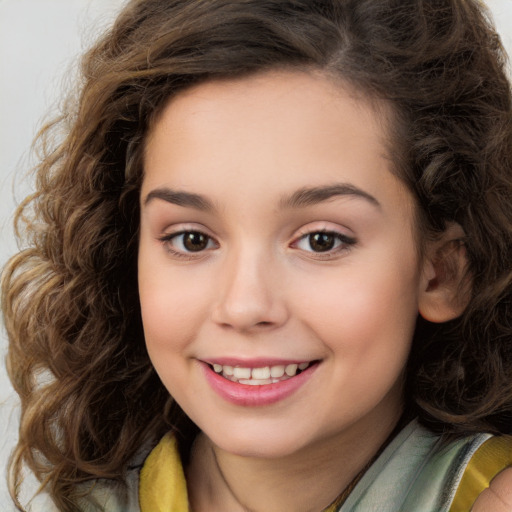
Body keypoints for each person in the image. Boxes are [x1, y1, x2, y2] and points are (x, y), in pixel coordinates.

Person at [2, 0, 512, 510]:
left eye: (321, 240)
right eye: (192, 239)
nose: (244, 306)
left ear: (441, 272)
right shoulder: (90, 498)